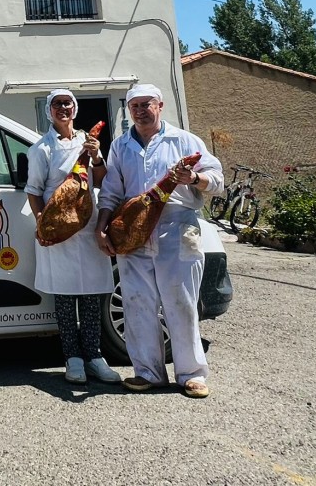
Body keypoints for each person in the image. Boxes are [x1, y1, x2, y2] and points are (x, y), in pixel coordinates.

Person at [95, 84, 224, 399]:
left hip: (176, 226)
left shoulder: (184, 140)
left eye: (146, 104)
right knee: (138, 303)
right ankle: (148, 373)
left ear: (160, 105)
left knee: (181, 303)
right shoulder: (121, 146)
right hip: (133, 230)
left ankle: (191, 375)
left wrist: (193, 179)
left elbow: (217, 181)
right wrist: (101, 228)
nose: (140, 110)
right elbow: (111, 190)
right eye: (134, 106)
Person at [26, 89, 121, 385]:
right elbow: (33, 190)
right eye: (57, 104)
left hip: (87, 222)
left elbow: (103, 179)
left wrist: (96, 155)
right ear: (49, 111)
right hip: (59, 227)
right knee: (65, 296)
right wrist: (42, 222)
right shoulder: (41, 148)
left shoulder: (87, 142)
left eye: (67, 103)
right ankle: (73, 358)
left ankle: (94, 356)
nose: (63, 108)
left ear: (75, 109)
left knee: (92, 292)